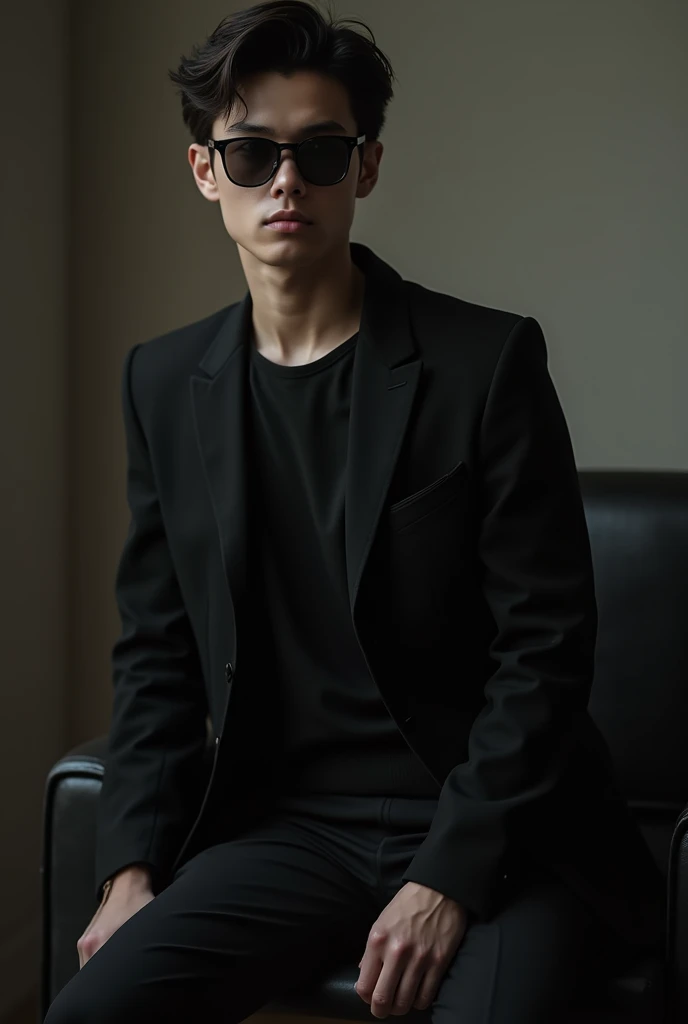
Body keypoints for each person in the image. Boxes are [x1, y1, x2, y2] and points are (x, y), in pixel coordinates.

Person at [44, 1, 666, 1021]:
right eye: (250, 154)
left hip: (494, 826)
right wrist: (128, 870)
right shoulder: (163, 382)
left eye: (320, 152)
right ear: (206, 170)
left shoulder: (483, 363)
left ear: (363, 169)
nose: (285, 180)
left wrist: (448, 875)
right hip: (288, 829)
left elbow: (544, 650)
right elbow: (155, 650)